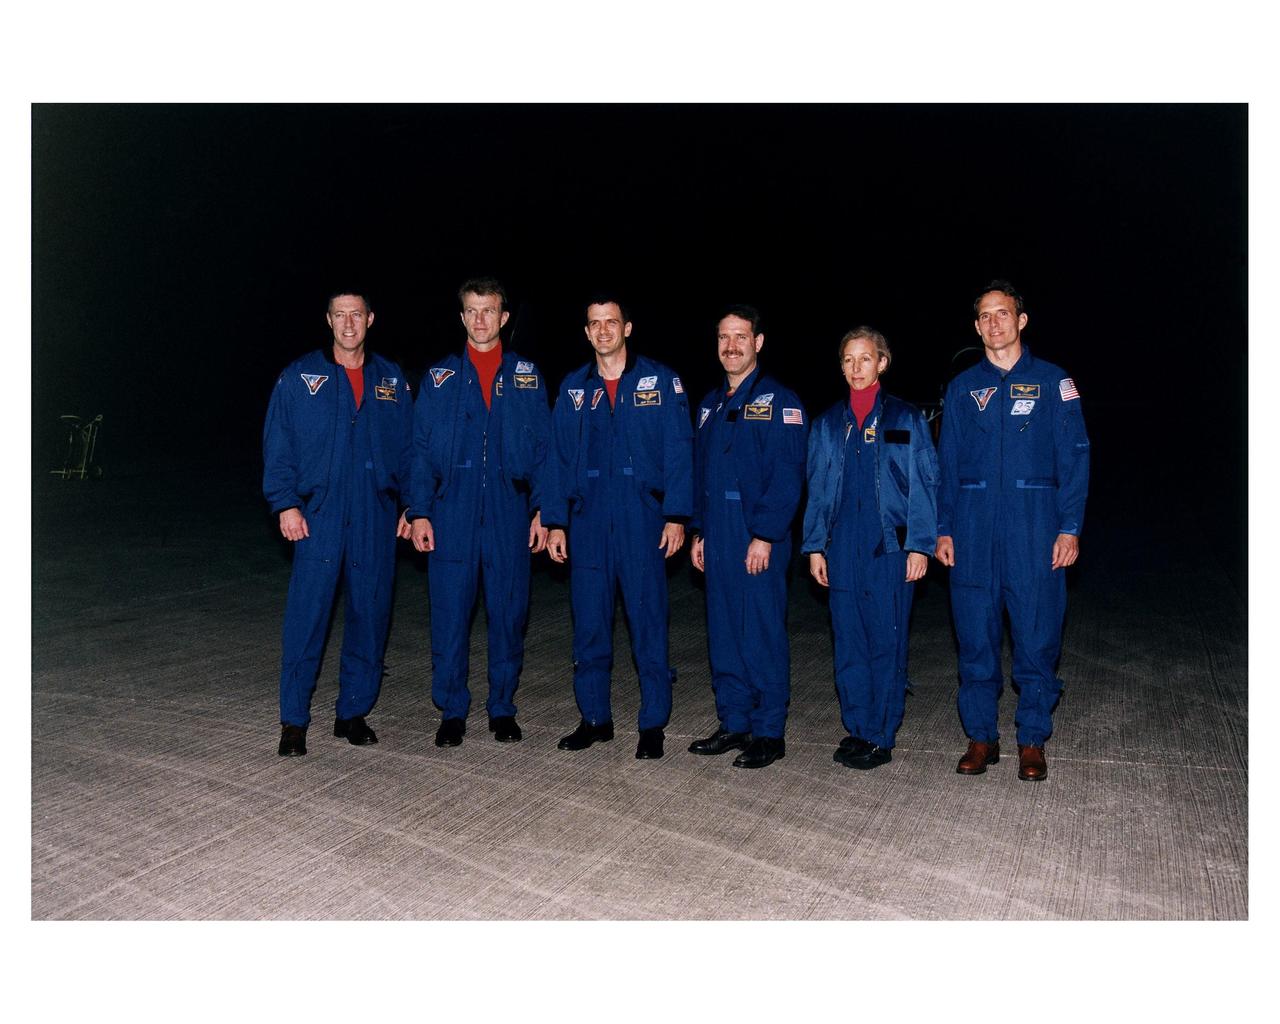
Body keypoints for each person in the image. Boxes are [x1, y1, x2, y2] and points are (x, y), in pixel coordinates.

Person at [935, 280, 1090, 781]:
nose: (994, 323)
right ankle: (981, 737)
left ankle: (1031, 739)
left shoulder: (1053, 381)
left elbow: (1075, 458)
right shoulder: (963, 389)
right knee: (976, 639)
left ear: (1022, 320)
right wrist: (944, 528)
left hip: (1034, 530)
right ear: (976, 325)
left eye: (1003, 313)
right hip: (974, 532)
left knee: (1036, 637)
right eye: (984, 315)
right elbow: (947, 464)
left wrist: (1069, 527)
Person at [263, 289, 414, 757]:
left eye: (357, 315)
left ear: (371, 319)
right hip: (319, 515)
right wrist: (285, 503)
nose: (349, 324)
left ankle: (352, 712)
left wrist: (413, 505)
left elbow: (410, 451)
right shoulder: (298, 376)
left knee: (370, 615)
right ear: (328, 320)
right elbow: (279, 444)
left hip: (376, 513)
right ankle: (294, 720)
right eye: (340, 316)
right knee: (307, 617)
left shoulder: (391, 380)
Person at [543, 296, 693, 760]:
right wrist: (555, 521)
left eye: (612, 323)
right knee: (589, 624)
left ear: (628, 328)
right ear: (586, 333)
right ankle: (594, 719)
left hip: (642, 520)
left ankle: (652, 724)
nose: (604, 331)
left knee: (647, 623)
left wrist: (675, 515)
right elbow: (558, 458)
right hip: (588, 523)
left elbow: (679, 449)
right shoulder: (573, 387)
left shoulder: (662, 381)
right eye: (595, 324)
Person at [406, 278, 552, 746]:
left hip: (509, 511)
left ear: (504, 317)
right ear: (462, 317)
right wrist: (419, 510)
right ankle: (451, 710)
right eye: (472, 310)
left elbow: (547, 450)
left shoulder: (528, 376)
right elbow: (420, 450)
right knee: (449, 615)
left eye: (489, 310)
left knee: (508, 614)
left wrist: (544, 510)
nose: (481, 319)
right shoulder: (439, 378)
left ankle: (502, 708)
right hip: (453, 512)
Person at [802, 327, 938, 770]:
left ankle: (881, 733)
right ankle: (857, 726)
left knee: (886, 640)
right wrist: (815, 546)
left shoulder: (905, 418)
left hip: (889, 548)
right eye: (848, 360)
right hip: (842, 548)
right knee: (849, 642)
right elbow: (817, 491)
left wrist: (920, 545)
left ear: (882, 362)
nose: (856, 368)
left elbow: (924, 484)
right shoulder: (826, 425)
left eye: (865, 359)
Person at [688, 306, 807, 769]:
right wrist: (698, 530)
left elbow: (787, 475)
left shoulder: (782, 401)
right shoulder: (709, 404)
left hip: (758, 534)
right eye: (723, 337)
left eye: (740, 336)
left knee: (760, 632)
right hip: (716, 532)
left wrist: (765, 534)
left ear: (758, 342)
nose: (731, 345)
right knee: (723, 632)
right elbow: (702, 475)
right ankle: (734, 721)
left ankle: (768, 731)